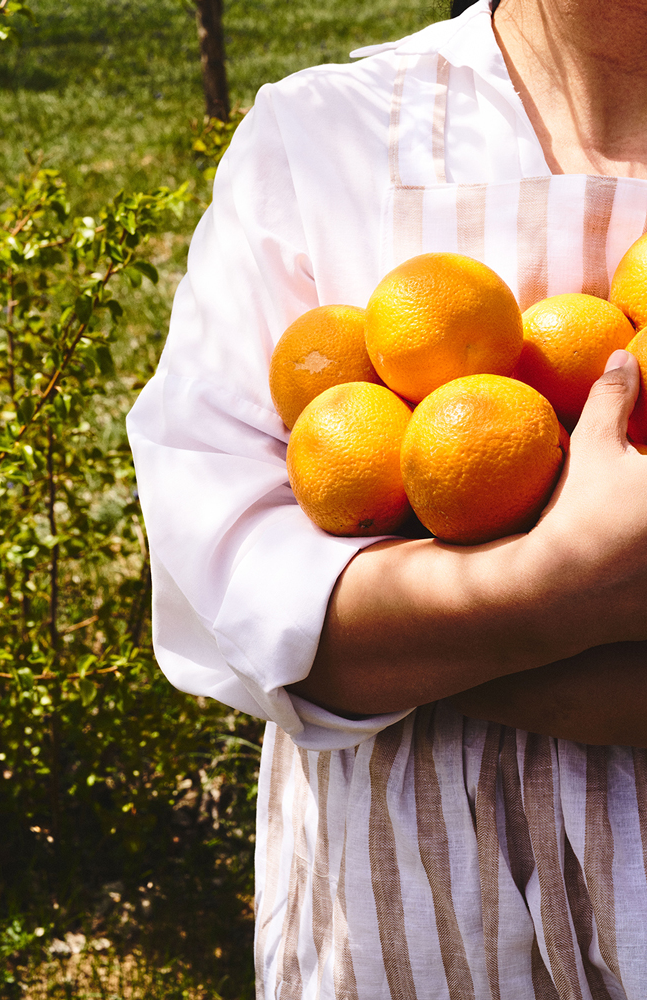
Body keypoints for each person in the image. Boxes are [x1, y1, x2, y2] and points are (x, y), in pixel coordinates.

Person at [127, 0, 647, 995]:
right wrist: (554, 585)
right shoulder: (327, 141)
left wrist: (445, 646)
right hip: (402, 937)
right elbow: (228, 593)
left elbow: (306, 630)